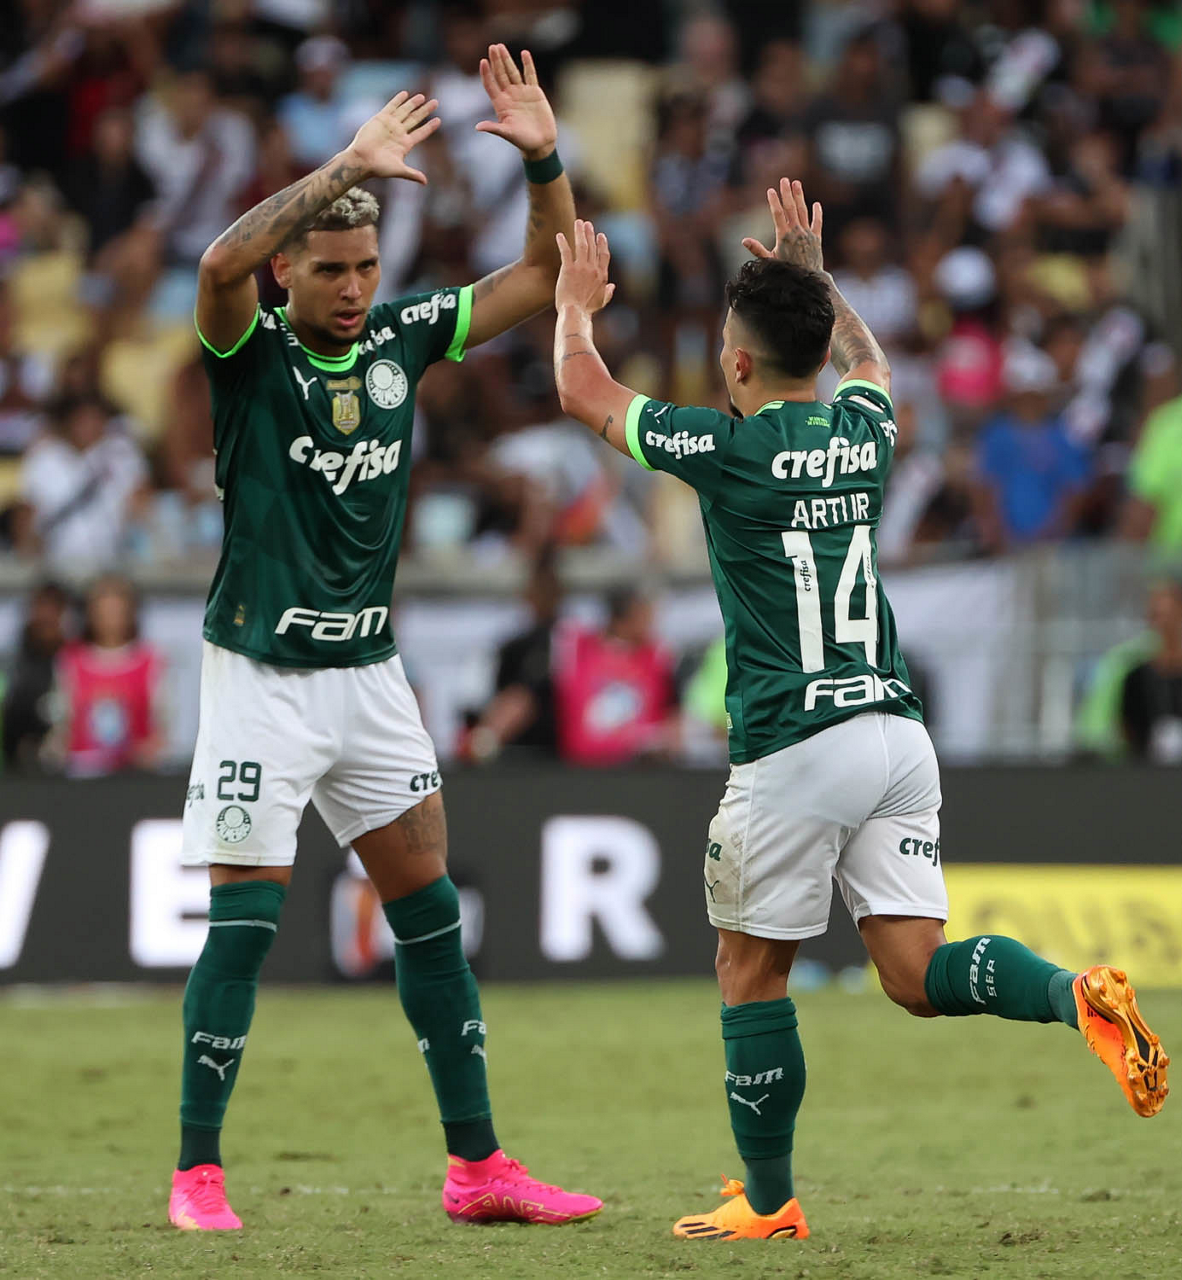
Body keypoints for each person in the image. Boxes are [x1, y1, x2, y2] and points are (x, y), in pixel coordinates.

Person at [551, 183, 1168, 1243]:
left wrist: (571, 303)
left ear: (737, 367)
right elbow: (871, 365)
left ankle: (768, 1198)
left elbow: (581, 386)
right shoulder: (865, 430)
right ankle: (1076, 992)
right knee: (915, 974)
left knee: (751, 973)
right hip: (895, 733)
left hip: (795, 747)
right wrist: (820, 283)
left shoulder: (725, 447)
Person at [171, 47, 601, 1233]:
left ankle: (479, 1165)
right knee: (245, 926)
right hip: (260, 676)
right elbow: (214, 265)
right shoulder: (249, 352)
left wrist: (546, 160)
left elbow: (541, 273)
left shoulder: (403, 336)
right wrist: (345, 166)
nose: (354, 287)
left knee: (430, 916)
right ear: (288, 271)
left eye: (365, 265)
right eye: (330, 269)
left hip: (367, 676)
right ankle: (198, 1172)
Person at [552, 587, 677, 766]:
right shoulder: (580, 648)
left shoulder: (655, 656)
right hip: (582, 763)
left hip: (636, 765)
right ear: (620, 620)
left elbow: (669, 714)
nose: (649, 624)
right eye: (641, 617)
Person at [53, 574, 163, 776]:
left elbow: (162, 726)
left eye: (117, 610)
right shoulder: (71, 661)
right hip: (82, 774)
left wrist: (149, 752)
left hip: (136, 774)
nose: (111, 619)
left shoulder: (151, 660)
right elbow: (62, 725)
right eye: (103, 611)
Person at [0, 580, 70, 771]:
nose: (46, 616)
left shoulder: (75, 659)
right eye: (41, 606)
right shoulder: (12, 660)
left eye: (54, 608)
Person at [1121, 574, 1182, 763]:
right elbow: (1129, 734)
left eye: (1170, 615)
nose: (1164, 625)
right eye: (1157, 616)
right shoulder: (1136, 678)